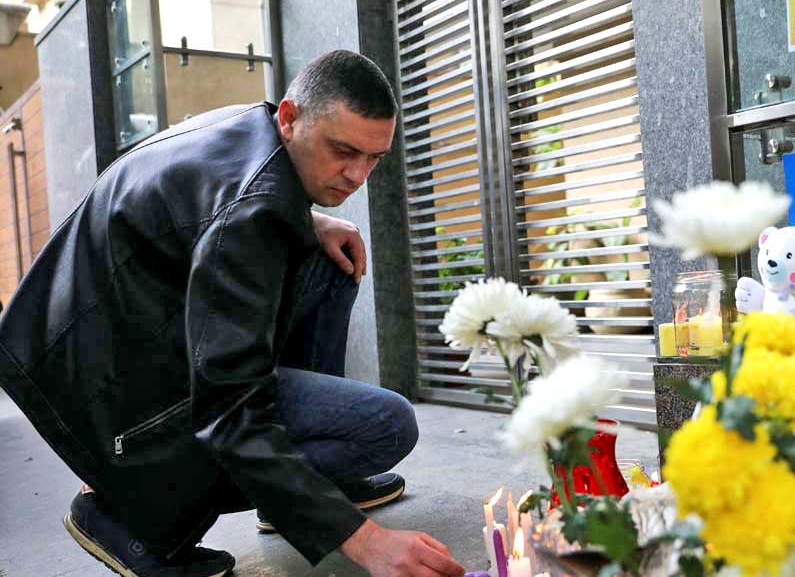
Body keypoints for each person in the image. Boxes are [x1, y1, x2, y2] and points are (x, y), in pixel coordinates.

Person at [0, 50, 466, 577]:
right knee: (387, 426)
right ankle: (123, 518)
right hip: (118, 403)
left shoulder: (253, 131)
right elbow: (230, 411)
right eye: (343, 151)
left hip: (106, 343)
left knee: (329, 262)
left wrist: (309, 220)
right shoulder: (249, 216)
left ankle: (299, 493)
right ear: (289, 117)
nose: (358, 175)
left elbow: (209, 203)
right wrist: (364, 541)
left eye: (373, 158)